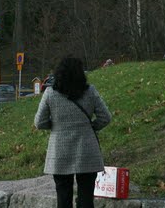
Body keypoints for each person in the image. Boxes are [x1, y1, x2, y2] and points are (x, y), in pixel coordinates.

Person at [34, 57, 112, 208]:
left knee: (63, 197)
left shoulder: (50, 93)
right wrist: (91, 127)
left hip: (60, 151)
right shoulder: (90, 92)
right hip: (87, 149)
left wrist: (56, 126)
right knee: (86, 198)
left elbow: (39, 122)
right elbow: (105, 117)